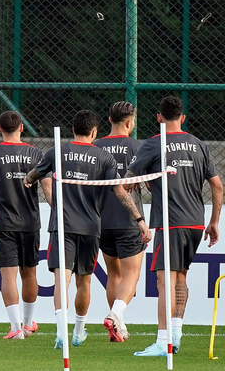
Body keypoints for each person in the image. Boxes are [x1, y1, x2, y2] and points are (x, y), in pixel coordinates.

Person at [24, 110, 150, 349]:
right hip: (91, 227)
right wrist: (139, 218)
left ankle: (62, 334)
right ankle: (79, 332)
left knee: (63, 280)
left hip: (63, 226)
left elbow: (35, 174)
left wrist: (28, 180)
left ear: (72, 130)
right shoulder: (104, 158)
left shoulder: (57, 152)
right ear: (94, 132)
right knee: (85, 282)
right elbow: (119, 190)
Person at [131, 96, 222, 356]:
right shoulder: (199, 144)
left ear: (159, 117)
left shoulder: (153, 143)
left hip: (170, 222)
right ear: (182, 118)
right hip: (195, 221)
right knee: (180, 276)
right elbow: (217, 184)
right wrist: (214, 221)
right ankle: (176, 333)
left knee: (164, 282)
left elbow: (132, 177)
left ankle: (163, 341)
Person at [0, 111, 52, 340]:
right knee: (29, 274)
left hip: (2, 222)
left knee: (8, 276)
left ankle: (16, 327)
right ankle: (27, 324)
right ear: (21, 128)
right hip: (29, 222)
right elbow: (47, 187)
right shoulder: (36, 153)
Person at [93, 101, 145, 342]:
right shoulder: (138, 147)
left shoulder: (95, 147)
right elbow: (147, 182)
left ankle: (119, 327)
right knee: (131, 275)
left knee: (113, 274)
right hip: (128, 219)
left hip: (101, 220)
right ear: (129, 122)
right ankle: (115, 315)